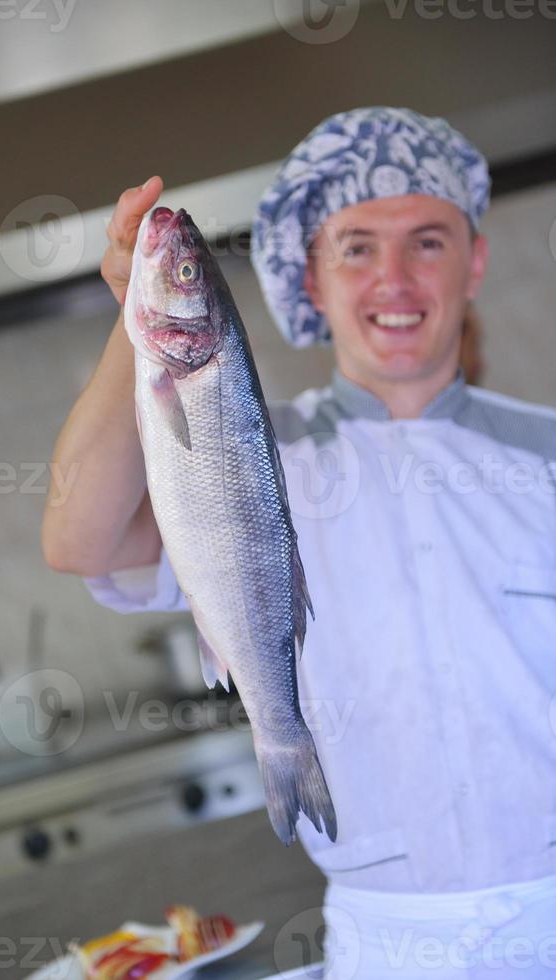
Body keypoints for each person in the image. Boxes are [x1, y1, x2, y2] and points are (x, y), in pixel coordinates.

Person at [42, 108, 556, 978]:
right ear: (309, 276)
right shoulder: (248, 455)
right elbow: (79, 539)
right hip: (386, 945)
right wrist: (137, 305)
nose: (393, 277)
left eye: (427, 241)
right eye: (355, 246)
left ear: (475, 262)